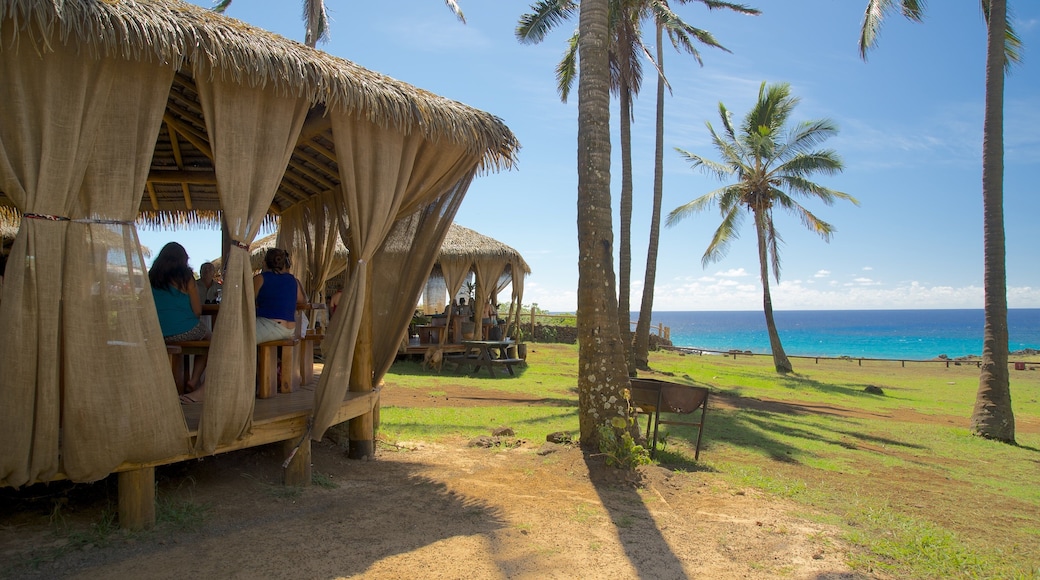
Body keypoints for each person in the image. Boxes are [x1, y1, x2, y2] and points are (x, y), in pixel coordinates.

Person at [149, 242, 210, 399]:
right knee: (212, 340)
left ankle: (170, 383)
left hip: (156, 331)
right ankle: (194, 380)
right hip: (184, 330)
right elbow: (197, 311)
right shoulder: (186, 278)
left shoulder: (152, 277)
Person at [254, 248, 305, 344]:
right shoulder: (292, 280)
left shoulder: (261, 278)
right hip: (290, 328)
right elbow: (302, 300)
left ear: (264, 263)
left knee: (236, 335)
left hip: (270, 325)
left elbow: (246, 301)